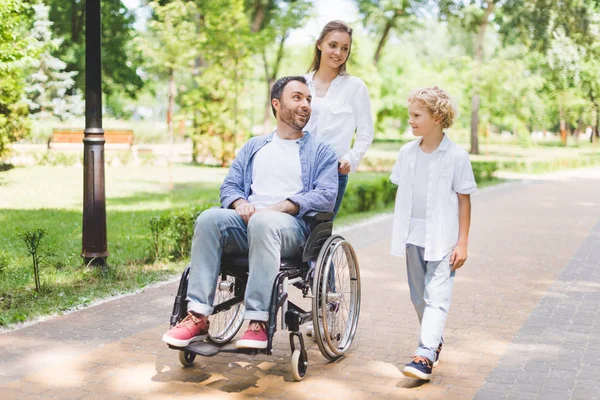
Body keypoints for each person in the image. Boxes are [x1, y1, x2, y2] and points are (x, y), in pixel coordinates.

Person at [162, 76, 338, 350]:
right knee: (209, 218)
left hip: (291, 230)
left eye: (308, 99)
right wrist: (239, 203)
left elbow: (326, 196)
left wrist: (282, 206)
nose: (305, 105)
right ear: (276, 104)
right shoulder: (255, 146)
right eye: (297, 98)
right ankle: (197, 315)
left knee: (265, 222)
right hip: (249, 223)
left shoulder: (321, 151)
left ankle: (258, 320)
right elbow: (230, 185)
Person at [390, 86, 476, 381]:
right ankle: (434, 340)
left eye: (416, 115)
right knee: (419, 297)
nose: (410, 121)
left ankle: (424, 353)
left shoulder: (456, 156)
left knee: (436, 297)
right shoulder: (406, 153)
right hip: (413, 236)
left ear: (437, 117)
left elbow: (464, 200)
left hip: (443, 240)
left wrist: (462, 242)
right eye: (410, 115)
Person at [304, 20, 374, 218]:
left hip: (333, 172)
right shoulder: (301, 83)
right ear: (319, 44)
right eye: (332, 45)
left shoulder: (355, 87)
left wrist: (350, 158)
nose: (338, 53)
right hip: (297, 169)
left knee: (317, 234)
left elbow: (366, 132)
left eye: (344, 48)